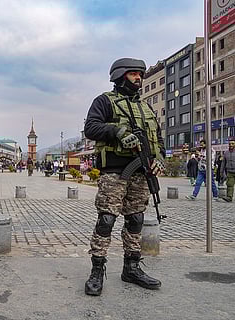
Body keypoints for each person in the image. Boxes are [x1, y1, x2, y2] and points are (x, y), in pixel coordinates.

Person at [83, 58, 165, 296]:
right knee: (107, 220)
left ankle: (131, 267)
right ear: (120, 76)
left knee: (136, 219)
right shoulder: (104, 102)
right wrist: (117, 132)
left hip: (142, 172)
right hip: (115, 172)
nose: (138, 78)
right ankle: (97, 270)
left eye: (140, 74)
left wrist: (159, 159)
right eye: (133, 74)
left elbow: (158, 139)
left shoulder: (146, 108)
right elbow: (91, 128)